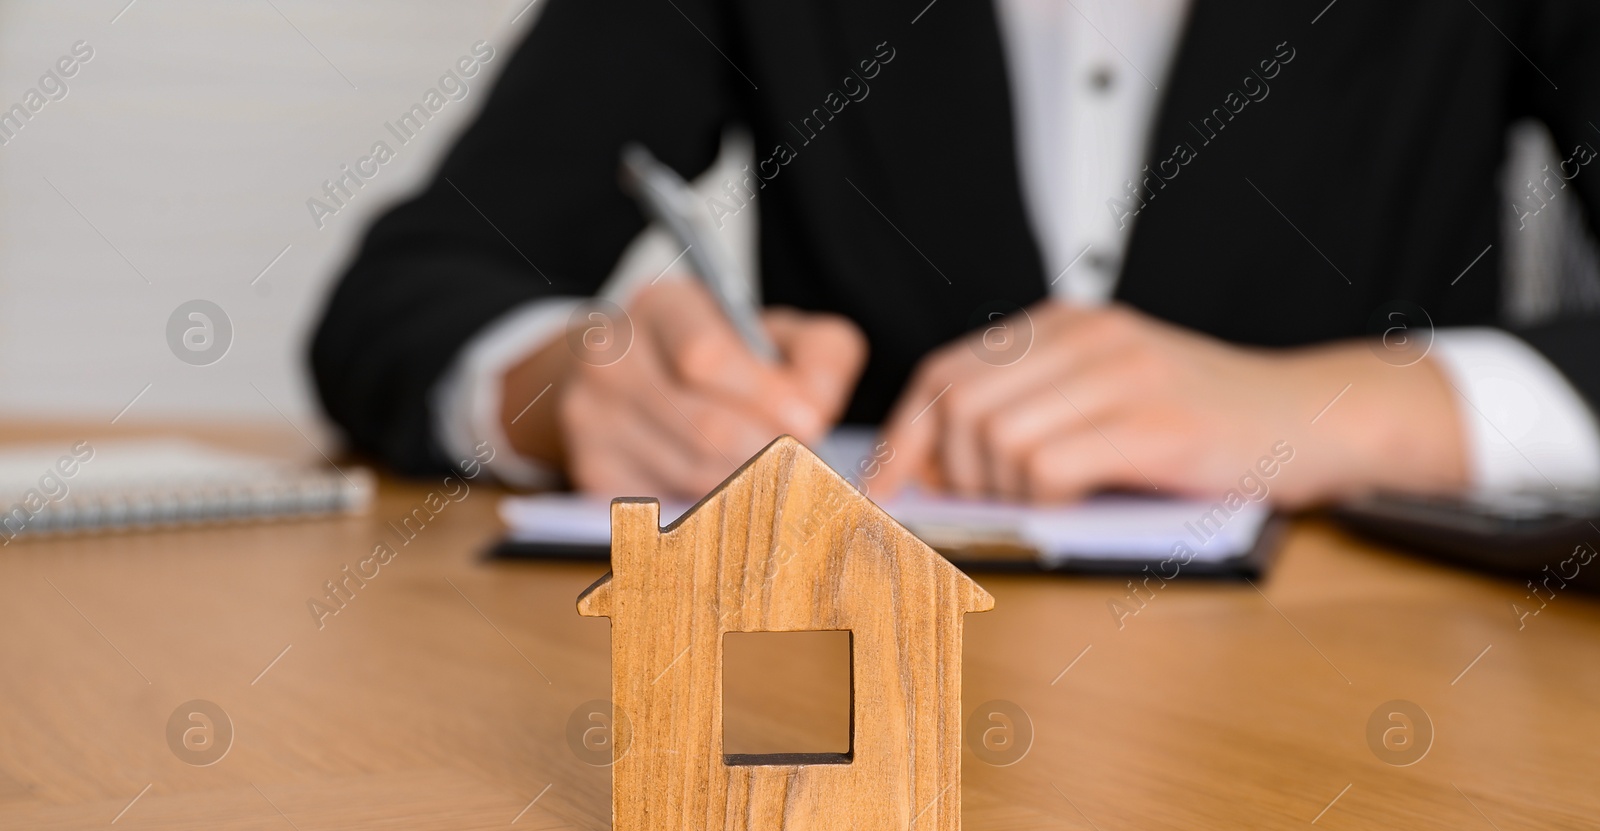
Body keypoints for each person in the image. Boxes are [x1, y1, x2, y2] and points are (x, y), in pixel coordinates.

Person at [311, 0, 1600, 506]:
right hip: (851, 694)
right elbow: (407, 290)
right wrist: (568, 384)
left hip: (1372, 740)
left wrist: (1341, 412)